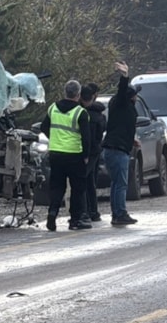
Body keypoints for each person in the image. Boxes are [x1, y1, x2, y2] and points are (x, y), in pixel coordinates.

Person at [40, 80, 92, 231]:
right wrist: (86, 155)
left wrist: (55, 139)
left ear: (65, 92)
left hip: (56, 153)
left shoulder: (53, 108)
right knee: (77, 188)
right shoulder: (81, 112)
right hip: (75, 155)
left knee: (57, 186)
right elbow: (86, 137)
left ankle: (52, 213)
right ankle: (75, 220)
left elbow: (44, 126)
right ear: (78, 94)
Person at [101, 61, 140, 225]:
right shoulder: (121, 103)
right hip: (117, 150)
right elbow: (121, 91)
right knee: (121, 184)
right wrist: (124, 76)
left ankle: (117, 213)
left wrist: (132, 140)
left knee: (117, 183)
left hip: (116, 147)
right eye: (135, 94)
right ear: (130, 97)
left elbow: (123, 127)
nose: (136, 97)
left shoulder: (120, 108)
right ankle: (120, 213)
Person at [80, 83, 106, 222]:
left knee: (84, 181)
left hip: (86, 152)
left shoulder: (82, 114)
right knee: (90, 182)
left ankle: (85, 211)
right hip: (95, 151)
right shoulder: (99, 114)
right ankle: (93, 211)